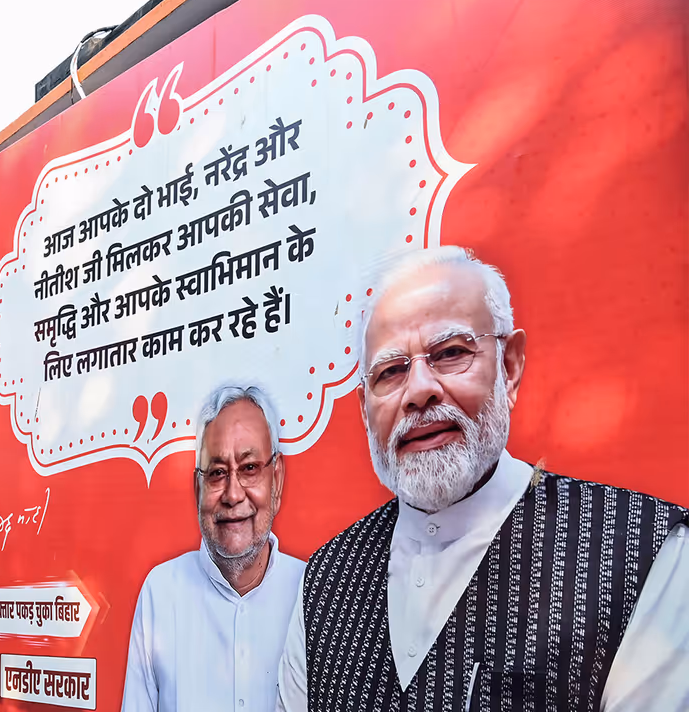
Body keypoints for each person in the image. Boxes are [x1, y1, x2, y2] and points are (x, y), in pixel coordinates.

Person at [277, 247, 689, 711]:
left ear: (509, 367)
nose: (419, 391)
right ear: (364, 409)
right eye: (391, 372)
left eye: (451, 353)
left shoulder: (640, 553)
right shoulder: (326, 580)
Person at [121, 383, 305, 712]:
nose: (233, 494)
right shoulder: (160, 593)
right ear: (198, 490)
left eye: (250, 468)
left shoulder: (312, 594)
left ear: (276, 481)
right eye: (217, 473)